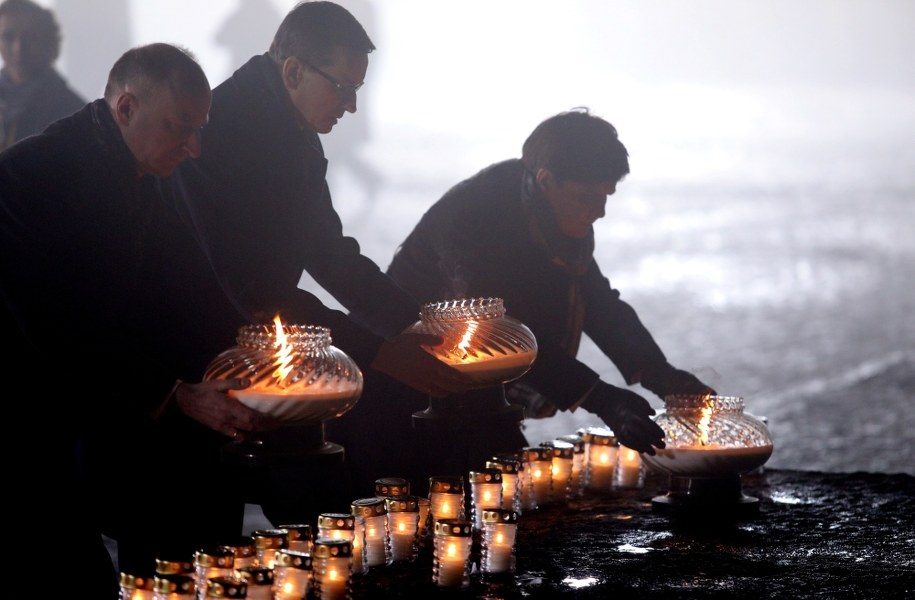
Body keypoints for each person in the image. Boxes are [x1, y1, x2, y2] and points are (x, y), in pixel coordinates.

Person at [167, 1, 474, 497]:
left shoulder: (292, 129)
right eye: (344, 88)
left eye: (358, 90)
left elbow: (330, 253)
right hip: (190, 362)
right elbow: (252, 288)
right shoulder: (221, 132)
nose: (351, 106)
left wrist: (418, 328)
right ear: (293, 71)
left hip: (259, 342)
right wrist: (376, 351)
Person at [0, 43, 273, 596]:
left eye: (200, 129)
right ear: (126, 108)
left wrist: (257, 353)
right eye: (180, 127)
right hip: (25, 429)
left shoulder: (145, 169)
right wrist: (176, 392)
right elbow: (53, 328)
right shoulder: (28, 176)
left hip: (101, 413)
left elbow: (189, 286)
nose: (194, 149)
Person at [385, 108, 717, 477]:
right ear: (545, 180)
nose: (600, 212)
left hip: (479, 384)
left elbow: (596, 300)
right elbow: (500, 332)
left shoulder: (556, 213)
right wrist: (601, 398)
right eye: (588, 197)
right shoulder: (476, 217)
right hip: (415, 386)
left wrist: (662, 376)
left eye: (606, 196)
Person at [0, 0, 85, 150]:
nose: (18, 48)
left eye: (29, 37)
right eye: (8, 37)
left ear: (48, 41)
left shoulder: (74, 113)